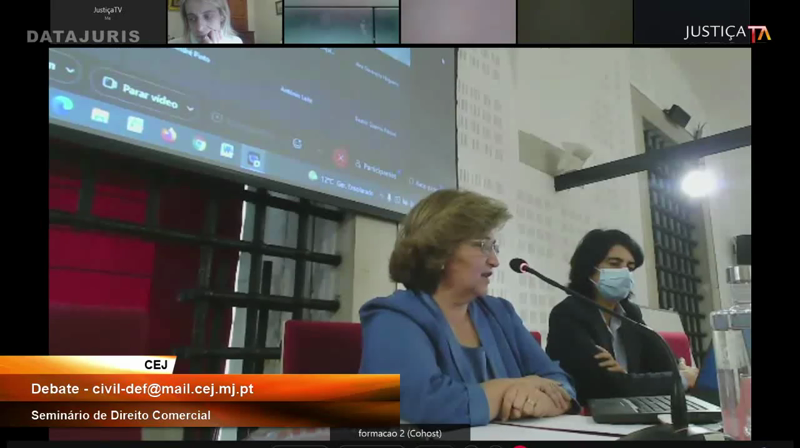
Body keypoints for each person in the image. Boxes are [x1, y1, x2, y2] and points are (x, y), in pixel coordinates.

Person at [359, 189, 580, 426]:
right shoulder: (392, 316)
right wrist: (509, 387)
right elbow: (421, 402)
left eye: (494, 247)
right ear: (440, 251)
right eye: (483, 245)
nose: (494, 261)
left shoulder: (500, 312)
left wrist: (547, 401)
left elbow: (558, 380)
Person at [545, 229, 700, 405]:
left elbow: (662, 362)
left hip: (632, 408)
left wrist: (678, 369)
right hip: (589, 413)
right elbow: (605, 386)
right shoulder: (568, 314)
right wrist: (681, 379)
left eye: (630, 267)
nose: (624, 272)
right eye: (614, 263)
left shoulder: (630, 313)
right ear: (588, 269)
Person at [170, 0, 243, 44]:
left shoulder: (236, 42)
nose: (199, 28)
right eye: (192, 18)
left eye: (208, 16)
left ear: (222, 16)